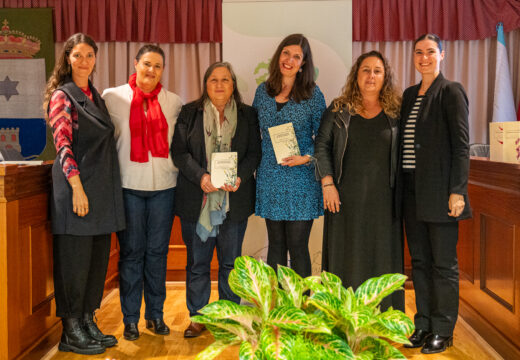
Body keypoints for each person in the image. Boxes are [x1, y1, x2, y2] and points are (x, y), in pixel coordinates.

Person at [44, 33, 124, 355]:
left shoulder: (95, 97)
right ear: (67, 58)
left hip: (100, 193)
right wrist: (77, 187)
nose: (85, 61)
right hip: (76, 191)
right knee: (74, 263)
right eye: (78, 55)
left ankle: (88, 319)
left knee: (95, 261)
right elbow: (63, 145)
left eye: (90, 55)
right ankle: (71, 329)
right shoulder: (63, 97)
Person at [172, 62, 261, 338]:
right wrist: (201, 177)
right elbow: (179, 152)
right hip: (197, 201)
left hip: (234, 202)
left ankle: (228, 318)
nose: (219, 85)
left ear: (233, 85)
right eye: (213, 80)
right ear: (205, 84)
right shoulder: (189, 113)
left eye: (225, 80)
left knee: (230, 263)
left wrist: (241, 177)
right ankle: (198, 316)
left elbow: (254, 153)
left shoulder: (248, 115)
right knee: (198, 263)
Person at [102, 45, 183, 341]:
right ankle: (131, 319)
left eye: (158, 66)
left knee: (158, 254)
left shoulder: (173, 102)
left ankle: (156, 316)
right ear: (136, 63)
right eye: (147, 64)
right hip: (128, 188)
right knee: (132, 254)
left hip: (164, 188)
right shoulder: (113, 97)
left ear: (163, 70)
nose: (151, 70)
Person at [314, 50, 404, 312]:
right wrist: (327, 185)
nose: (371, 76)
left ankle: (384, 317)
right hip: (344, 199)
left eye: (377, 70)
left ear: (385, 76)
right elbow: (321, 146)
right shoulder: (339, 109)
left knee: (382, 257)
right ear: (356, 75)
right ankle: (342, 317)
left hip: (385, 201)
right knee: (346, 257)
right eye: (366, 70)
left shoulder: (396, 111)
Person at [400, 34, 471, 354]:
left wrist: (457, 191)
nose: (424, 57)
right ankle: (423, 323)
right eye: (418, 52)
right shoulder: (409, 94)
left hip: (441, 193)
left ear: (441, 55)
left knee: (443, 264)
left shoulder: (451, 91)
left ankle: (443, 328)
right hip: (411, 193)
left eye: (430, 52)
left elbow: (461, 146)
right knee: (419, 263)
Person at [253, 33, 325, 278]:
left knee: (297, 247)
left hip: (301, 180)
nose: (289, 60)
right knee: (275, 246)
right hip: (270, 177)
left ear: (303, 63)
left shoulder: (313, 95)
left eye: (297, 56)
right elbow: (253, 133)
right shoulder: (262, 92)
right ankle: (274, 308)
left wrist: (306, 157)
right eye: (286, 53)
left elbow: (325, 139)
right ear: (278, 55)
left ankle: (300, 308)